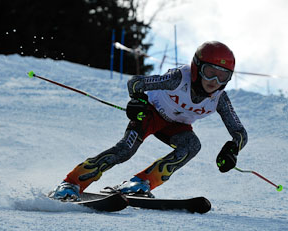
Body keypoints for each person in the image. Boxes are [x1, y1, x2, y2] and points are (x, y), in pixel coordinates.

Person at [49, 41, 248, 200]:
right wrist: (138, 101)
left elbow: (239, 132)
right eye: (210, 72)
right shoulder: (178, 78)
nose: (215, 82)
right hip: (150, 115)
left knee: (192, 145)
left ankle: (140, 183)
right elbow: (136, 82)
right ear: (197, 68)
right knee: (125, 150)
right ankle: (71, 183)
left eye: (223, 76)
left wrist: (233, 149)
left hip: (175, 126)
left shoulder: (220, 99)